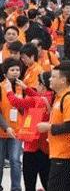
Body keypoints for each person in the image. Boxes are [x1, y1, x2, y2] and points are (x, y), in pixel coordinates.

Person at [36, 61, 70, 190]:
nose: (50, 79)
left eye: (54, 77)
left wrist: (48, 127)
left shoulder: (69, 98)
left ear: (63, 80)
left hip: (64, 153)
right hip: (58, 153)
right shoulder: (58, 97)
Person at [5, 70, 54, 191]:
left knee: (30, 184)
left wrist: (8, 91)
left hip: (32, 147)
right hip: (47, 147)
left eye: (38, 84)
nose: (36, 86)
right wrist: (26, 88)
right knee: (47, 182)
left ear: (42, 86)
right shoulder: (52, 97)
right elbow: (39, 97)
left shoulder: (36, 100)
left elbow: (17, 102)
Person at [0, 58, 24, 191]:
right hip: (2, 131)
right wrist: (6, 127)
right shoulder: (0, 87)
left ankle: (16, 188)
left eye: (17, 69)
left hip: (17, 131)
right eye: (12, 70)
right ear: (6, 72)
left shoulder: (22, 87)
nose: (15, 72)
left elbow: (26, 109)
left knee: (15, 160)